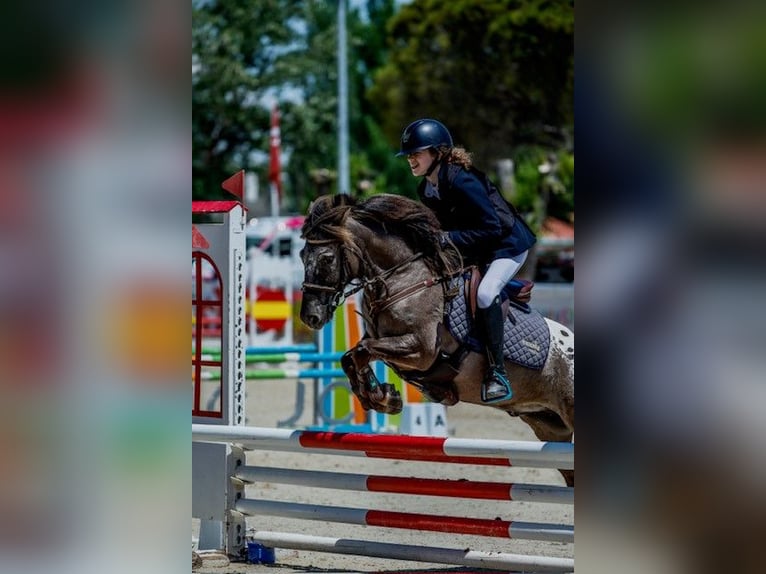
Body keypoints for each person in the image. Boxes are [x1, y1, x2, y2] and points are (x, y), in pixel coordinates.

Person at [397, 118, 537, 403]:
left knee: (486, 293)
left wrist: (447, 239)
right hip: (478, 248)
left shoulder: (464, 179)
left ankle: (497, 374)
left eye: (416, 153)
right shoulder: (426, 189)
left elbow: (492, 229)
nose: (411, 159)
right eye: (409, 155)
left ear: (437, 152)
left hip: (507, 245)